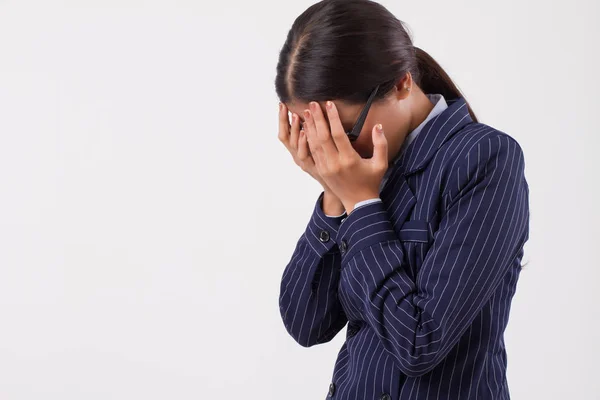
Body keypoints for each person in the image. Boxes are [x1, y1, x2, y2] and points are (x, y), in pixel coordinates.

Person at [275, 1, 530, 399]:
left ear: (400, 84)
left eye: (340, 130)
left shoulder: (485, 160)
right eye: (313, 132)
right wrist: (333, 197)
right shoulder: (357, 176)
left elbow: (419, 342)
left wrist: (362, 204)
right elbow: (306, 323)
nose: (330, 148)